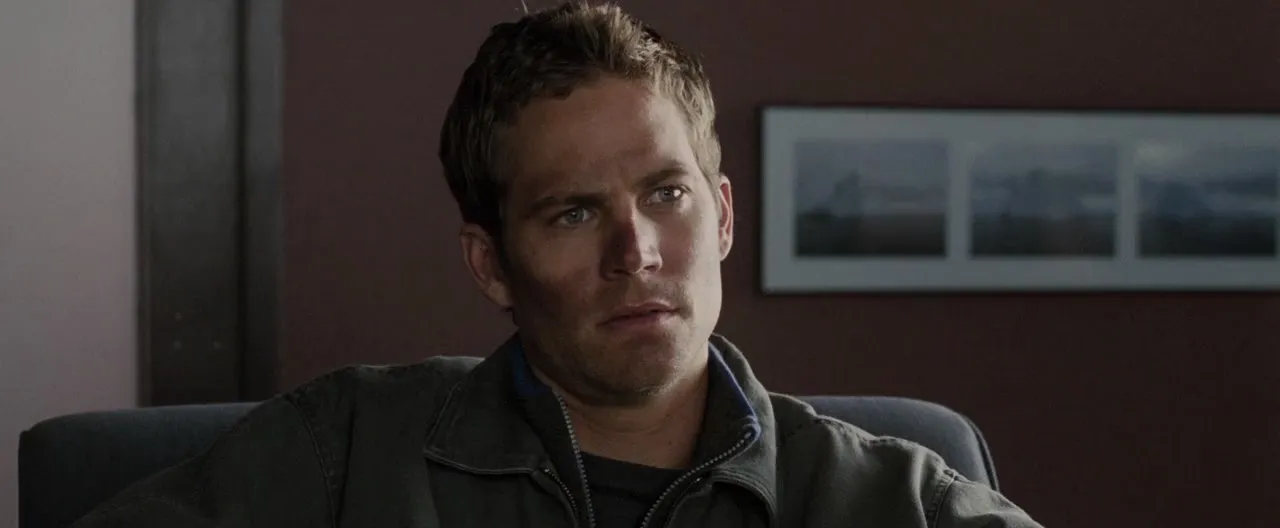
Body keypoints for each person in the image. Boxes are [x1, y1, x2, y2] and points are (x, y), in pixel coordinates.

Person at [73, 2, 1043, 527]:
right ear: (491, 265)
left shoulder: (897, 501)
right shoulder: (346, 453)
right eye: (574, 213)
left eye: (665, 195)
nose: (637, 252)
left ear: (722, 215)